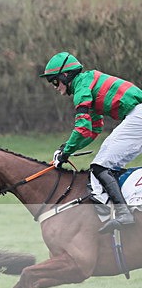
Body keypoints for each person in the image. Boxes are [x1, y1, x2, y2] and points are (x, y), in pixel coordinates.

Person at [40, 52, 139, 233]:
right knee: (105, 165)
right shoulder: (86, 83)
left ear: (65, 76)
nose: (54, 86)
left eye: (54, 81)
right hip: (135, 116)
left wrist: (66, 153)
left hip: (137, 116)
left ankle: (124, 214)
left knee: (101, 166)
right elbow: (94, 130)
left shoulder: (82, 89)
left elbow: (82, 128)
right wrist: (65, 149)